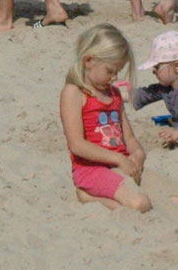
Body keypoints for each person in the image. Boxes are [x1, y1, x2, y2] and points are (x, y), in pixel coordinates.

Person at [60, 23, 152, 212]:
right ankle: (87, 196)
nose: (114, 77)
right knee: (140, 204)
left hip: (120, 165)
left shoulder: (114, 94)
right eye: (110, 71)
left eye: (118, 71)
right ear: (89, 61)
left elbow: (129, 138)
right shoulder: (74, 93)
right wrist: (118, 158)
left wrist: (138, 154)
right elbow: (77, 144)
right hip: (91, 169)